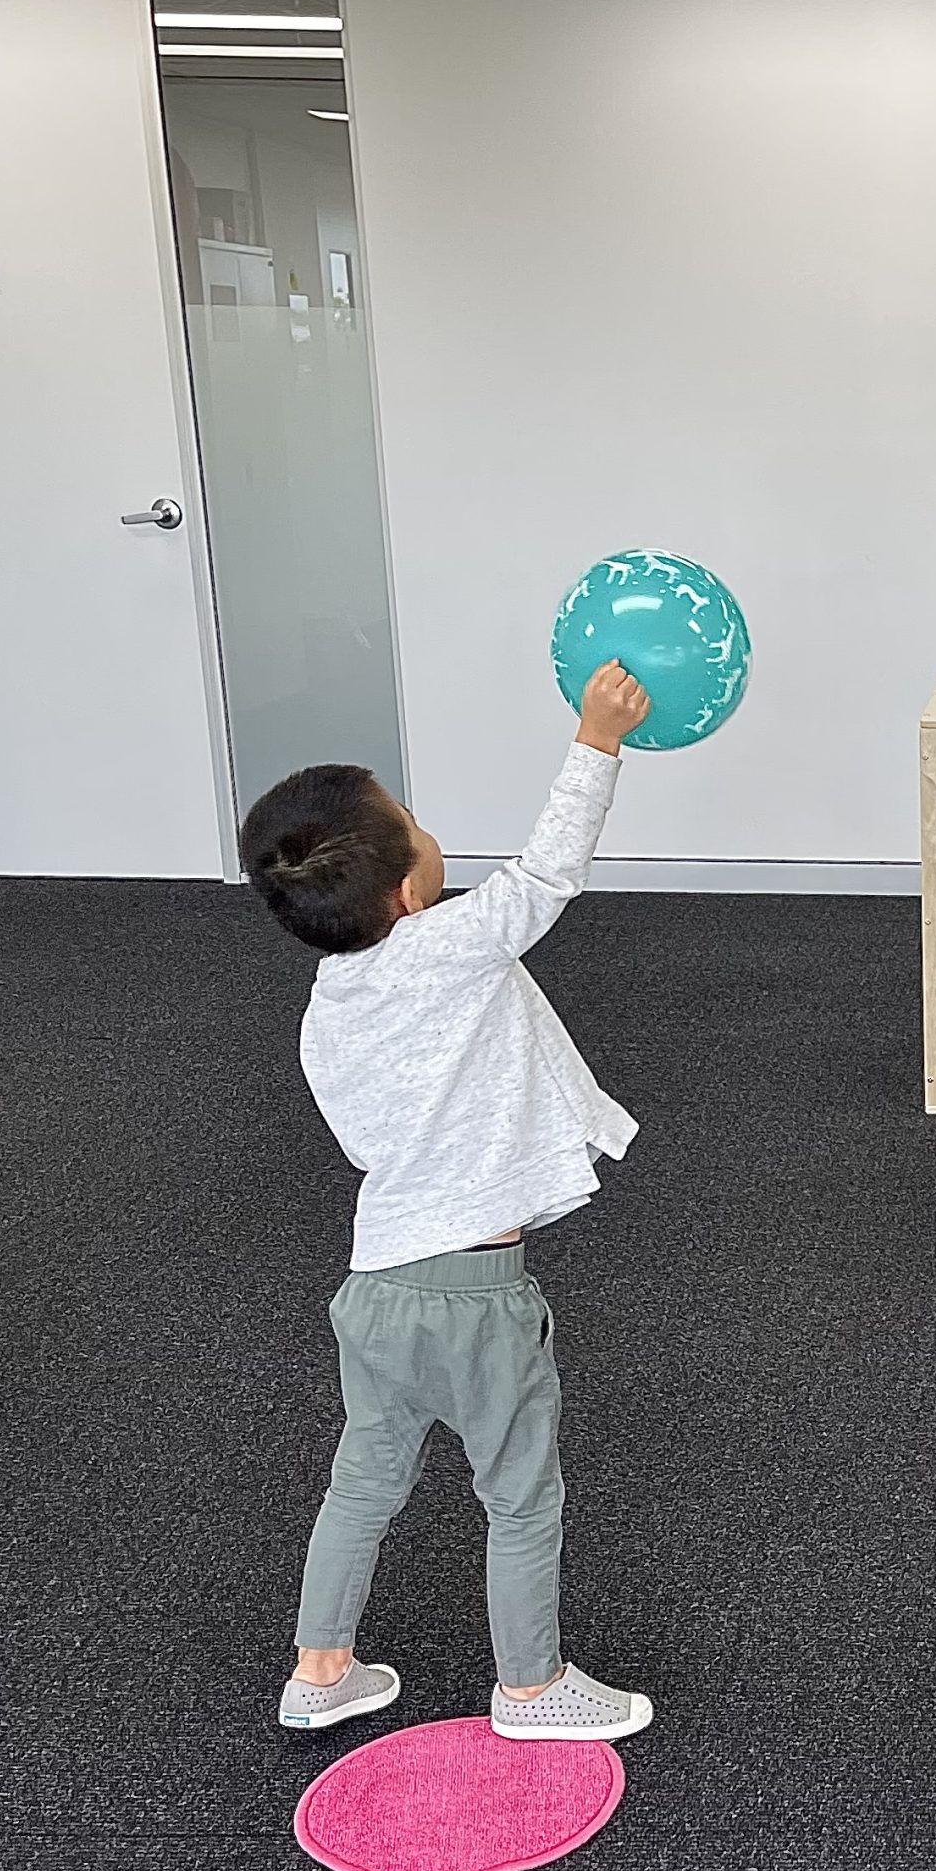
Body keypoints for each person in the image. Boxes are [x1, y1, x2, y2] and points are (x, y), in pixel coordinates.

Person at [239, 662, 658, 1745]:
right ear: (409, 889)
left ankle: (320, 1667)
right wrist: (596, 739)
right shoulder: (449, 946)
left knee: (364, 1480)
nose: (430, 832)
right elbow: (547, 872)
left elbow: (363, 1140)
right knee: (520, 1492)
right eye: (416, 822)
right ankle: (530, 1687)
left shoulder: (326, 1008)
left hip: (374, 1291)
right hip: (472, 1294)